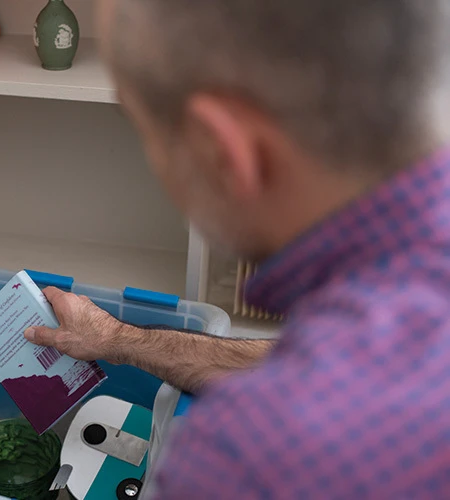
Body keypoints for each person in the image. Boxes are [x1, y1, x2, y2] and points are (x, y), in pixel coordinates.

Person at [24, 0, 450, 497]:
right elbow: (302, 364)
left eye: (147, 134)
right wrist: (116, 338)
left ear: (221, 150)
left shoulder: (248, 459)